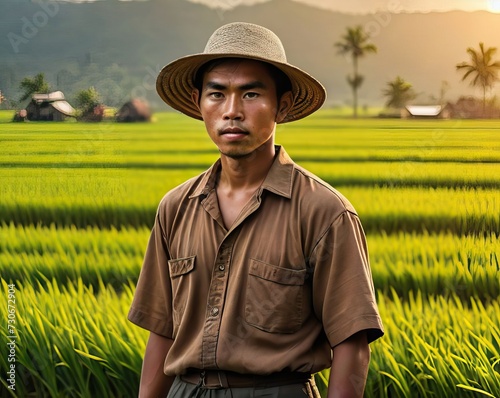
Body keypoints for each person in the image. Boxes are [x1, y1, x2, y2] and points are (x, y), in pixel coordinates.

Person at [128, 22, 384, 398]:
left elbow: (351, 345)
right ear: (200, 104)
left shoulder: (324, 212)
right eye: (217, 94)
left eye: (250, 94)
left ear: (282, 105)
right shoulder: (175, 208)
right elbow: (162, 332)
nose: (232, 111)